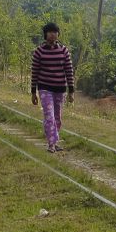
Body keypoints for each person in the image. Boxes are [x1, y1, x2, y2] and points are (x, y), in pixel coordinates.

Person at [31, 22, 75, 153]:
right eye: (50, 32)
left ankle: (54, 141)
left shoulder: (64, 51)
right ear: (45, 34)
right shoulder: (39, 52)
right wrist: (33, 92)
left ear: (58, 34)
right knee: (49, 116)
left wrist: (71, 91)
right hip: (45, 88)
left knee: (57, 118)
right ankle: (51, 143)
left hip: (60, 89)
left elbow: (69, 71)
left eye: (55, 32)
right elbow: (34, 73)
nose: (53, 34)